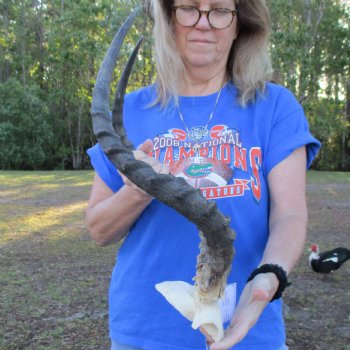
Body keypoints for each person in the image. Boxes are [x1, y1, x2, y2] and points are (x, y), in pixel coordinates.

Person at [86, 0, 321, 349]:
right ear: (169, 18)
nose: (204, 23)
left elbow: (289, 214)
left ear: (239, 24)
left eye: (220, 10)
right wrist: (137, 190)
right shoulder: (133, 110)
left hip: (249, 330)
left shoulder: (274, 106)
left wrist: (268, 279)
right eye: (189, 7)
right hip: (145, 333)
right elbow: (99, 229)